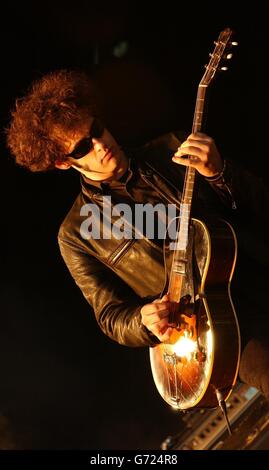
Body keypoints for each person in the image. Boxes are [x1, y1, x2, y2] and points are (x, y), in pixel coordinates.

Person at [6, 69, 269, 397]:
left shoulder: (173, 148)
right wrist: (143, 320)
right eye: (82, 147)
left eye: (97, 130)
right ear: (61, 162)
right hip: (225, 330)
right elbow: (110, 315)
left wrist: (220, 174)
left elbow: (257, 204)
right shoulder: (76, 234)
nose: (100, 145)